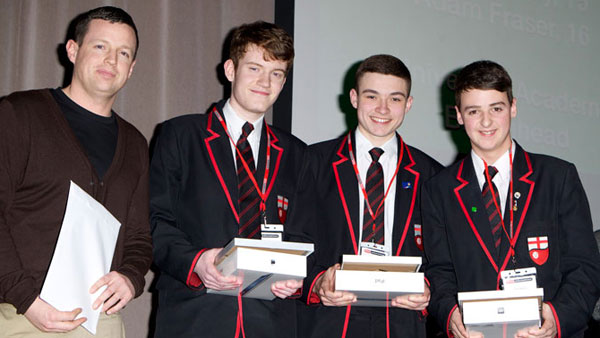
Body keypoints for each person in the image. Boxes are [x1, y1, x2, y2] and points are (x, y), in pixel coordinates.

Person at [149, 21, 314, 337]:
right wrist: (197, 262)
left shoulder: (296, 153)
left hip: (271, 321)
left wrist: (296, 276)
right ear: (230, 70)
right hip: (195, 316)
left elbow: (304, 233)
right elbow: (154, 222)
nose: (265, 82)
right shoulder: (181, 135)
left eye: (276, 73)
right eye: (254, 68)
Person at [0, 6, 152, 337]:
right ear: (73, 50)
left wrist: (130, 277)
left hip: (102, 323)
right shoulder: (19, 115)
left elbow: (139, 235)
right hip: (20, 317)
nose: (111, 60)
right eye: (100, 46)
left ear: (132, 68)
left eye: (122, 53)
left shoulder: (136, 144)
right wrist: (27, 299)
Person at [423, 60, 600, 338]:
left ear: (513, 107)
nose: (486, 122)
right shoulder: (439, 189)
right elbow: (440, 270)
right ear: (458, 115)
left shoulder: (558, 176)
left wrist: (557, 316)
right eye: (473, 111)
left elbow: (584, 265)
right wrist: (451, 314)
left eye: (496, 108)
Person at [298, 54, 442, 338]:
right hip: (330, 320)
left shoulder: (432, 175)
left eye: (395, 99)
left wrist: (430, 291)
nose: (383, 109)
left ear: (409, 104)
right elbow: (293, 237)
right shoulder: (314, 161)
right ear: (354, 98)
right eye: (372, 96)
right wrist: (317, 283)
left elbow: (444, 258)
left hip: (402, 323)